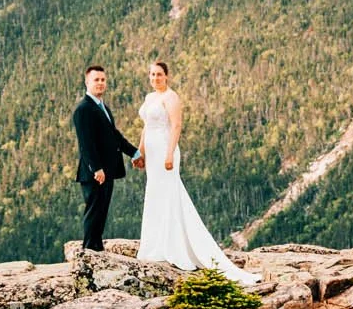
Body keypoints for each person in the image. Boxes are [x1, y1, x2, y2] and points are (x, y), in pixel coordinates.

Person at [136, 60, 259, 285]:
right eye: (152, 74)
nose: (155, 78)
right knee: (155, 194)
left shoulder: (171, 97)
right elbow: (146, 127)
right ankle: (156, 245)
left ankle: (175, 246)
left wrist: (170, 153)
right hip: (151, 152)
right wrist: (140, 152)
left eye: (159, 74)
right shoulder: (149, 97)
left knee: (170, 194)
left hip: (164, 148)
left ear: (166, 76)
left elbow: (176, 126)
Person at [72, 63, 138, 252]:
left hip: (107, 170)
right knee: (94, 212)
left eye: (103, 80)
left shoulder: (103, 107)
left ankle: (97, 248)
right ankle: (89, 251)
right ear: (87, 82)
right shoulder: (83, 109)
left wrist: (134, 152)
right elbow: (86, 143)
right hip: (95, 172)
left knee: (101, 211)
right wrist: (96, 168)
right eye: (96, 80)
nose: (100, 83)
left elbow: (114, 136)